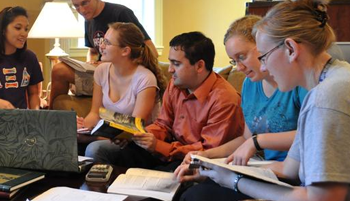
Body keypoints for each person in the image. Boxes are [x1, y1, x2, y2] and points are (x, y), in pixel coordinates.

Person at [175, 0, 350, 201]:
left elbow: (321, 199)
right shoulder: (332, 81)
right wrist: (218, 173)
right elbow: (288, 169)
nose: (264, 66)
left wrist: (235, 182)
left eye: (264, 56)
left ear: (291, 49)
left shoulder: (325, 98)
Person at [176, 16, 307, 200]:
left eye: (242, 57)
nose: (238, 67)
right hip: (262, 169)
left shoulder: (297, 83)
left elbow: (311, 134)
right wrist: (206, 155)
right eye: (233, 60)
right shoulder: (250, 84)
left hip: (291, 173)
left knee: (197, 196)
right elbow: (245, 138)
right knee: (186, 187)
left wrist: (257, 141)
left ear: (263, 46)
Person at [86, 31, 245, 170]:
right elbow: (164, 124)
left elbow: (206, 151)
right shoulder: (176, 85)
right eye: (170, 62)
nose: (170, 70)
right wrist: (140, 135)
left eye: (176, 64)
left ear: (199, 66)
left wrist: (158, 146)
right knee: (98, 149)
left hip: (194, 161)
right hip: (165, 152)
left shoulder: (225, 99)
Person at [48, 0, 158, 109]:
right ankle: (51, 115)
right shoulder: (88, 20)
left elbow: (151, 51)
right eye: (76, 6)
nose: (81, 10)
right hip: (100, 73)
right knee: (58, 68)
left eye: (85, 3)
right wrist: (90, 63)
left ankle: (48, 115)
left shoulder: (120, 13)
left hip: (121, 76)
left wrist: (109, 64)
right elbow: (93, 51)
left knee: (60, 70)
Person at [78, 22, 166, 156]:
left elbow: (135, 127)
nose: (101, 46)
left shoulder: (145, 78)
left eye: (107, 42)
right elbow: (95, 113)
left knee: (94, 149)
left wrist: (98, 137)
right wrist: (82, 126)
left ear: (125, 51)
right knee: (68, 139)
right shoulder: (101, 71)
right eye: (102, 41)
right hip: (114, 138)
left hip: (137, 142)